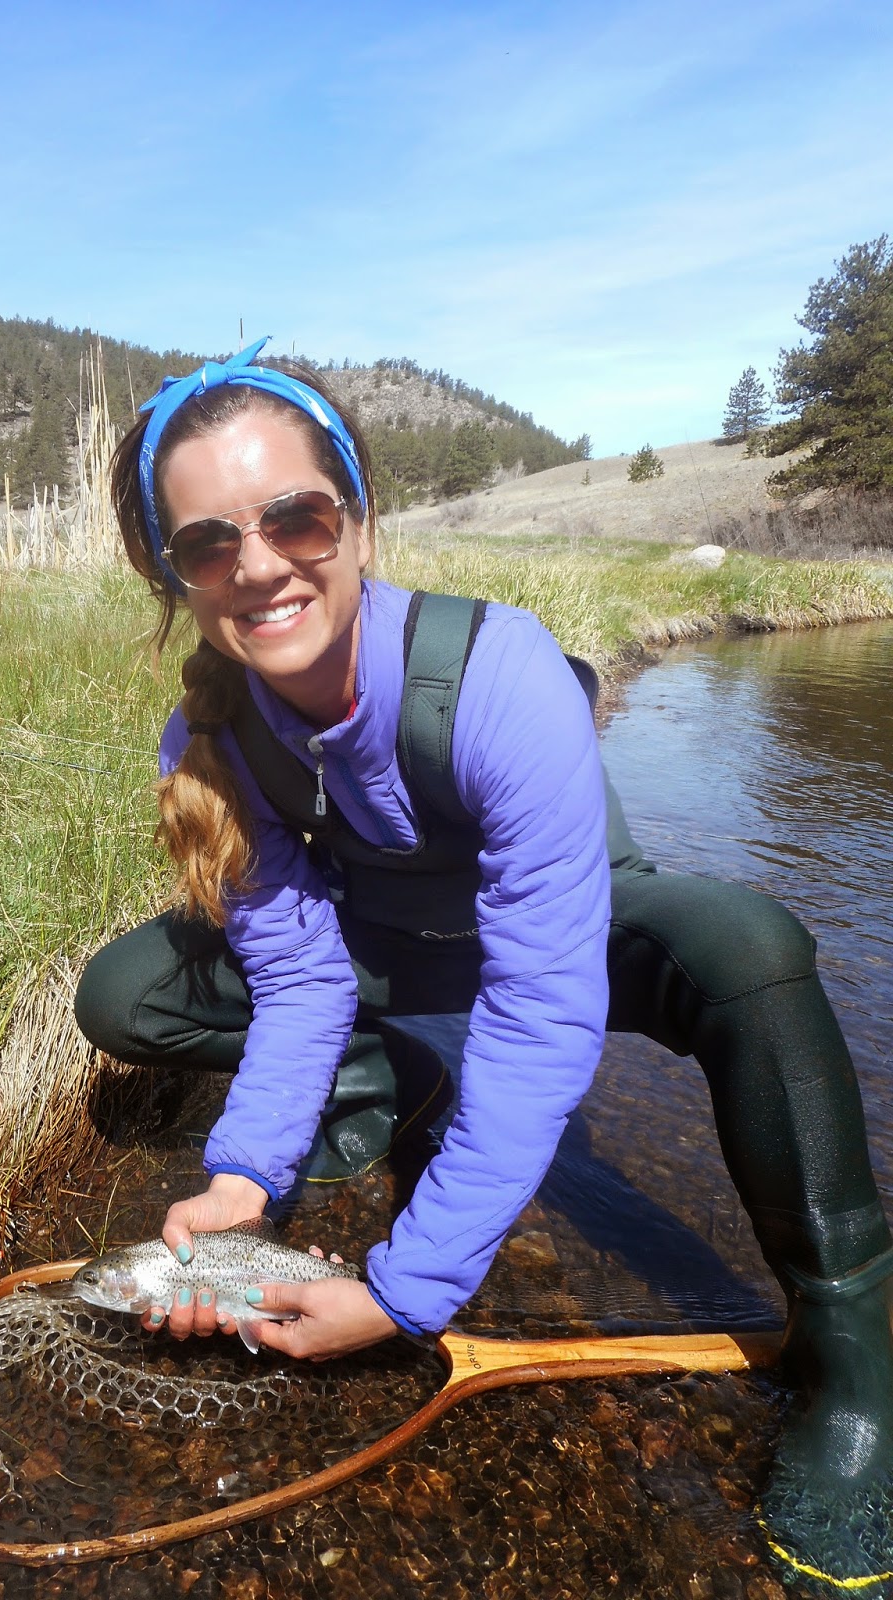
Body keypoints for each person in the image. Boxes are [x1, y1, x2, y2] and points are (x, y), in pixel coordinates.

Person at [75, 339, 893, 1588]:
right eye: (207, 542)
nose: (260, 563)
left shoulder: (500, 670)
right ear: (176, 575)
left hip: (567, 937)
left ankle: (853, 1363)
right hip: (391, 954)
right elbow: (298, 979)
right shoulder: (211, 732)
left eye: (296, 516)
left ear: (356, 516)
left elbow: (543, 1008)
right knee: (126, 990)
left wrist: (403, 1290)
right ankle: (392, 1080)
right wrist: (242, 1182)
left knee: (751, 950)